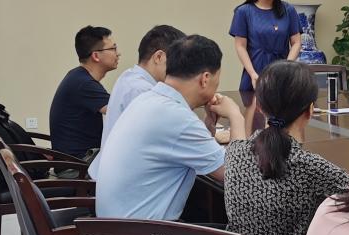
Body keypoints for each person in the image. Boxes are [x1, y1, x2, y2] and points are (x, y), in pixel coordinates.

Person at [223, 61, 349, 235]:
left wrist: (234, 116)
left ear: (259, 106)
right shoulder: (310, 167)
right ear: (310, 110)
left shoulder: (234, 152)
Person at [93, 35, 246, 220]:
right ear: (205, 79)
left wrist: (208, 124)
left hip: (111, 226)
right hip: (141, 234)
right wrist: (236, 117)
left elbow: (186, 147)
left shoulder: (148, 98)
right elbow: (239, 176)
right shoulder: (177, 118)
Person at [99, 24, 185, 146]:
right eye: (177, 61)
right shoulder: (142, 91)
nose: (180, 70)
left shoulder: (129, 76)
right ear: (159, 57)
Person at [229, 0, 301, 97]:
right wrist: (252, 74)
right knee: (252, 107)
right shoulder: (243, 11)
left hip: (282, 73)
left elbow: (296, 42)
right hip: (255, 72)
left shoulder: (288, 10)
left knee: (283, 106)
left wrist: (287, 67)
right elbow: (240, 46)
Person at [49, 25, 119, 160]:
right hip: (78, 165)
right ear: (96, 56)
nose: (118, 53)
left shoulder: (78, 77)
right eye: (113, 49)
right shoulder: (84, 84)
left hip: (83, 159)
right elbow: (121, 110)